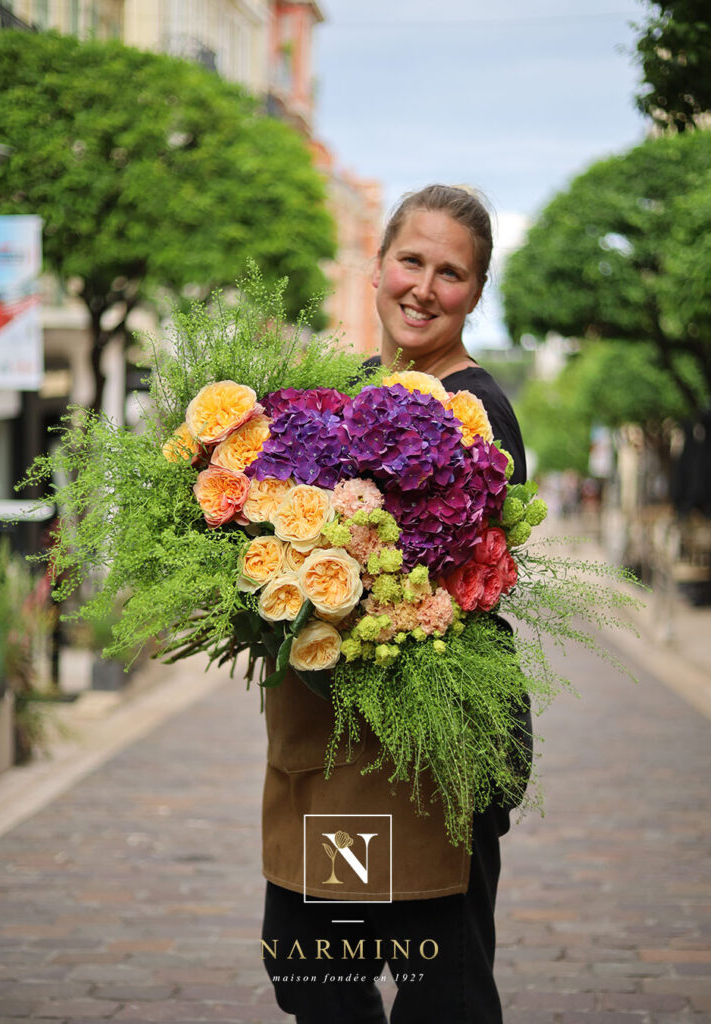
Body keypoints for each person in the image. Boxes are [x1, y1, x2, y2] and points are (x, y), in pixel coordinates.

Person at [261, 185, 531, 1023]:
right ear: (376, 268)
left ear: (474, 295)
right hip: (345, 743)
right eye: (411, 260)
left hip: (426, 741)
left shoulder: (475, 409)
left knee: (436, 989)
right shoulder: (346, 390)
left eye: (450, 273)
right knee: (319, 975)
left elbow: (426, 576)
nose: (424, 286)